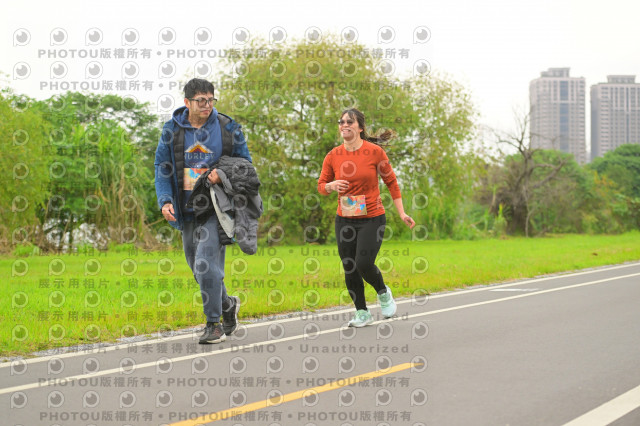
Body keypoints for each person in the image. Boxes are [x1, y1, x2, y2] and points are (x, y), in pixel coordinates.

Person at [154, 78, 251, 343]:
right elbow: (162, 166)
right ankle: (228, 304)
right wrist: (165, 200)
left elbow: (246, 164)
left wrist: (222, 173)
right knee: (198, 269)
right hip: (186, 209)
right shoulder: (172, 129)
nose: (207, 105)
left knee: (206, 264)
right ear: (187, 102)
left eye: (210, 100)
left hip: (217, 208)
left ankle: (213, 325)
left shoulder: (228, 127)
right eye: (201, 101)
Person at [318, 108, 416, 327]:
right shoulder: (333, 155)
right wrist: (331, 186)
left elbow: (391, 182)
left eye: (349, 122)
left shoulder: (374, 152)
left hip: (372, 217)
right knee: (349, 266)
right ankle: (362, 312)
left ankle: (383, 293)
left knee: (363, 263)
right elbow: (321, 186)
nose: (344, 125)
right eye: (341, 121)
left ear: (360, 127)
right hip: (345, 219)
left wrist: (402, 212)